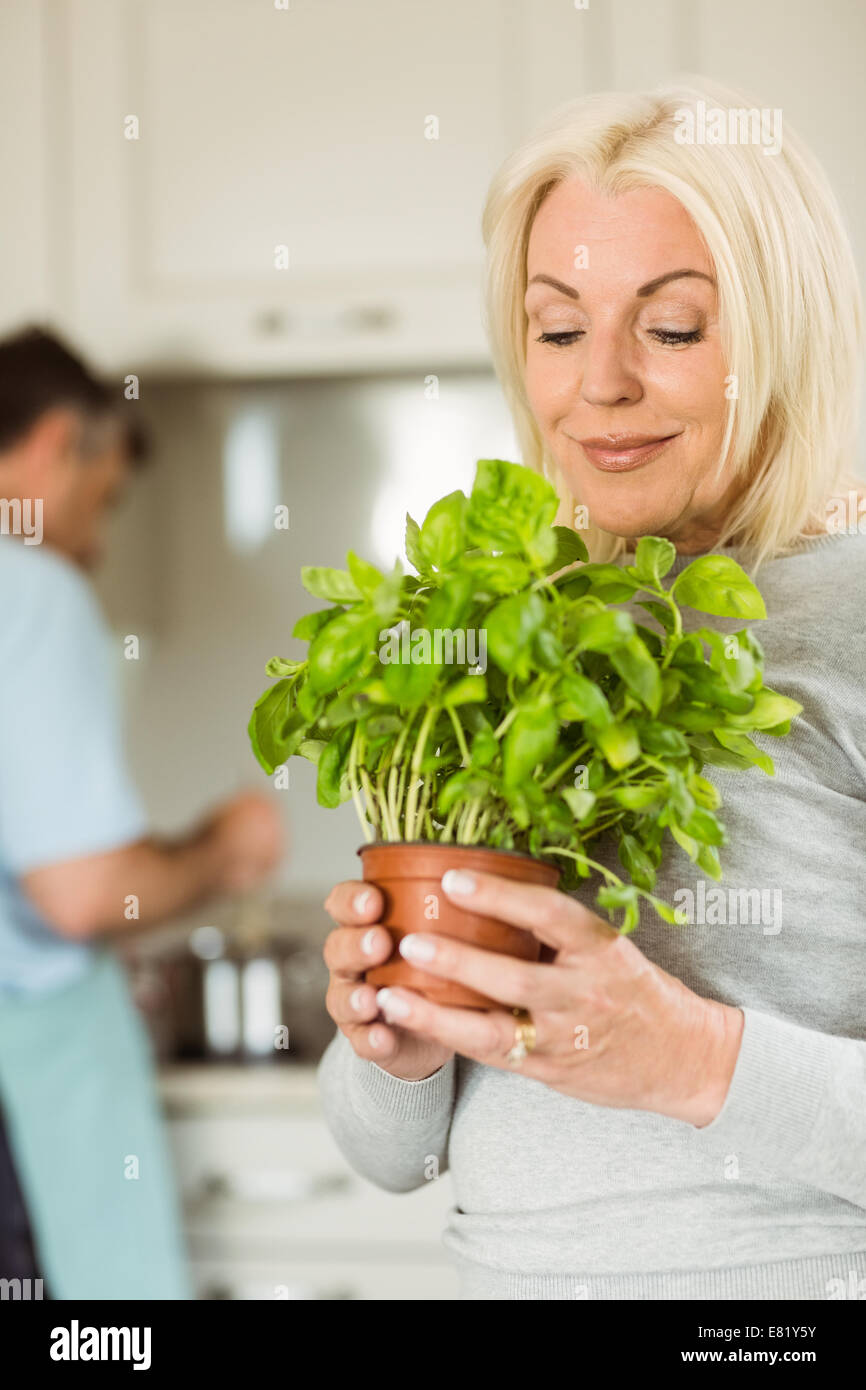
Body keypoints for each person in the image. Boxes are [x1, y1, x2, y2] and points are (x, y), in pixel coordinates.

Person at [316, 78, 866, 1300]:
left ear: (785, 330)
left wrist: (690, 1057)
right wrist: (392, 1046)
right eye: (557, 329)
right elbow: (388, 1156)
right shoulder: (515, 633)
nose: (599, 383)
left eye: (670, 328)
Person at [0, 327, 283, 1299]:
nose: (97, 540)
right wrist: (224, 847)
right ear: (50, 449)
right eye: (102, 498)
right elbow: (82, 896)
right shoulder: (27, 589)